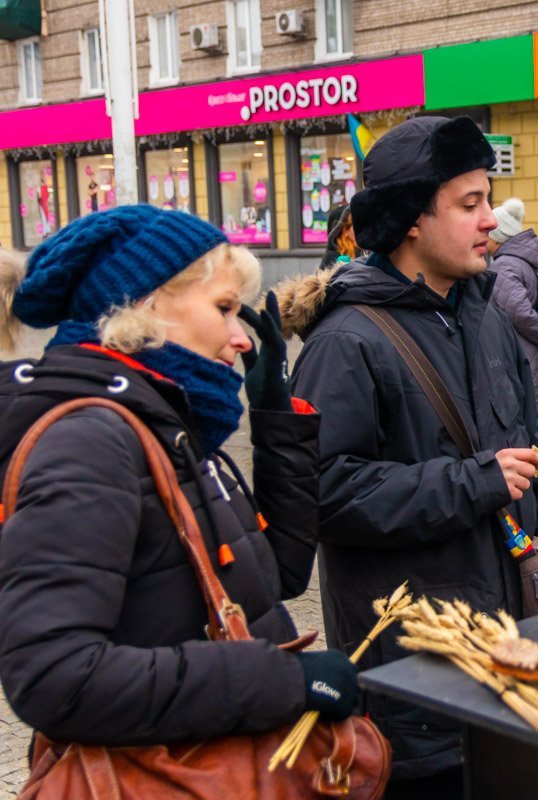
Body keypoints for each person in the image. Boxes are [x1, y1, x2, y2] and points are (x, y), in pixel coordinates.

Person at [277, 115, 538, 797]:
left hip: (516, 649)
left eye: (488, 199)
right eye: (469, 204)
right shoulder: (345, 344)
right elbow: (324, 496)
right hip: (419, 677)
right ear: (410, 220)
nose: (491, 221)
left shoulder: (487, 318)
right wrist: (472, 480)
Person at [0, 208, 357, 752]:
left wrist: (275, 418)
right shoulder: (95, 441)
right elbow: (55, 678)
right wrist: (279, 681)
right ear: (144, 306)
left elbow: (277, 577)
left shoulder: (173, 426)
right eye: (224, 309)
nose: (241, 338)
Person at [486, 196, 538, 446]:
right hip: (532, 351)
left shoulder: (504, 266)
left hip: (524, 352)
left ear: (497, 236)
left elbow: (518, 312)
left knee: (533, 422)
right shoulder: (518, 261)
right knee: (536, 418)